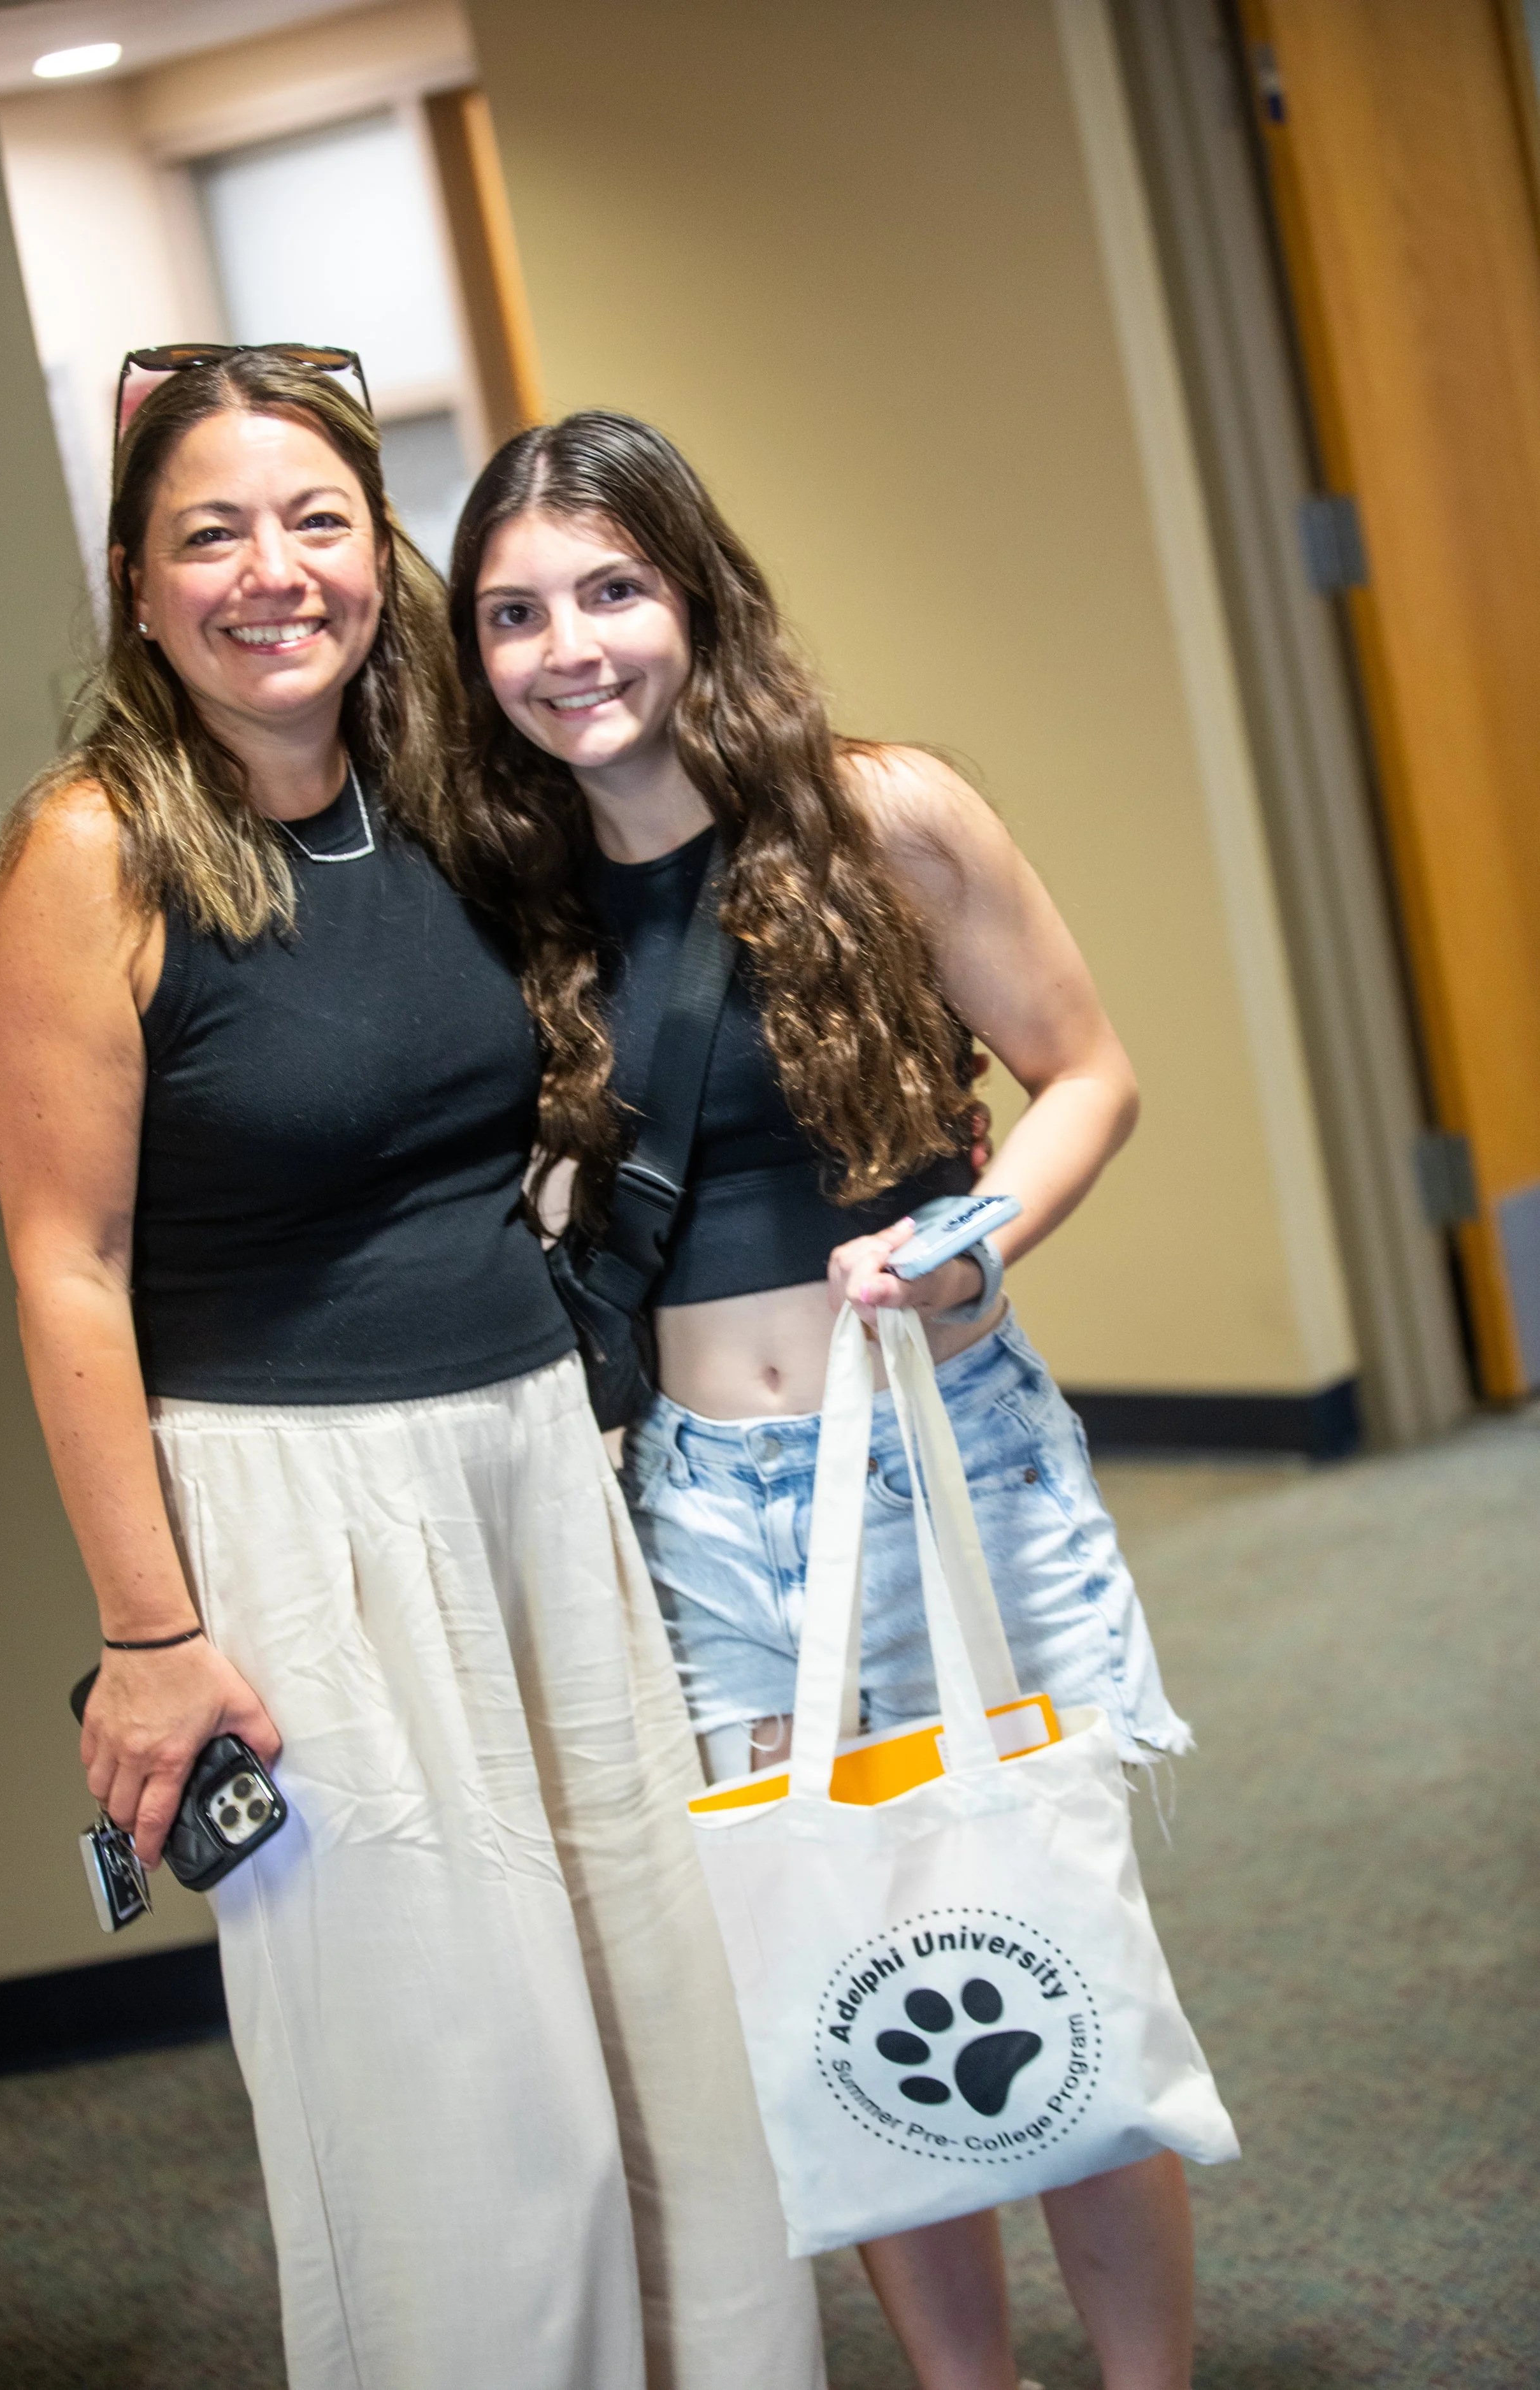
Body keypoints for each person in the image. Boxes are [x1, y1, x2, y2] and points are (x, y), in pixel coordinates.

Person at [0, 356, 824, 2390]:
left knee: (657, 2039)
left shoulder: (438, 800)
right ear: (134, 583)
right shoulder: (93, 858)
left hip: (534, 1466)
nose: (274, 574)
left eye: (318, 521)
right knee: (455, 2103)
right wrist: (151, 1632)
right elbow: (64, 1266)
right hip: (294, 1519)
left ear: (381, 553)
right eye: (210, 533)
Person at [447, 410, 1199, 2390]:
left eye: (609, 588)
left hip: (951, 1450)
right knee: (851, 1967)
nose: (568, 645)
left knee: (1038, 1934)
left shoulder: (886, 814)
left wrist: (970, 1241)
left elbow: (1088, 1072)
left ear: (694, 590)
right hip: (699, 1510)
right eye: (514, 613)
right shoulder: (505, 903)